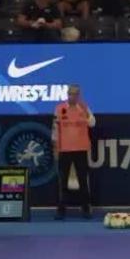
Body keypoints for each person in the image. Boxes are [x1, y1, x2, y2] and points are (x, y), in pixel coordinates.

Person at [52, 83, 96, 219]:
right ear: (67, 95)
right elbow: (55, 129)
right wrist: (55, 147)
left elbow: (92, 123)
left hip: (80, 149)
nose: (73, 96)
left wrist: (86, 115)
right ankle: (61, 210)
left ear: (79, 95)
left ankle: (86, 208)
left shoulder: (84, 107)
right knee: (63, 181)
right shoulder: (59, 109)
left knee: (83, 180)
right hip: (64, 149)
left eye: (76, 94)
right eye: (71, 94)